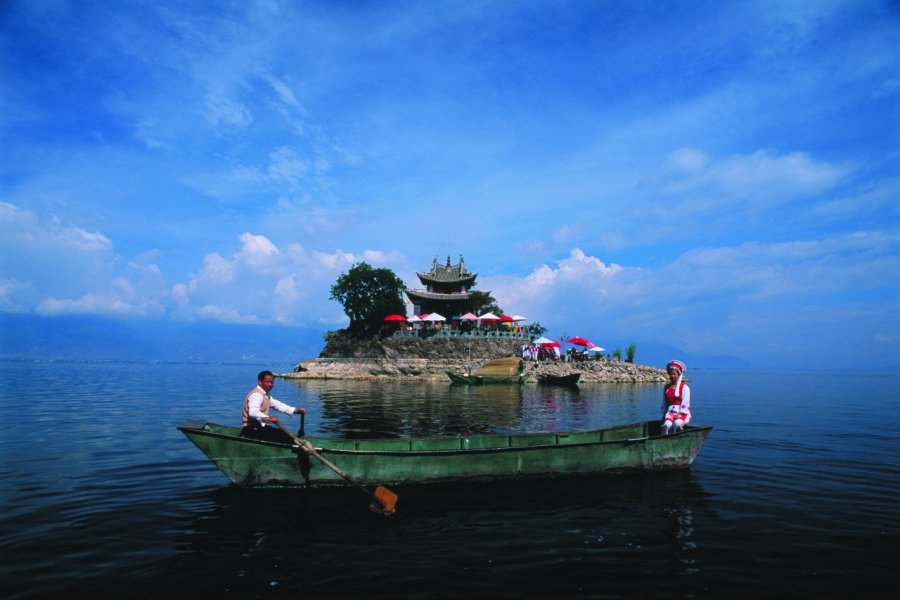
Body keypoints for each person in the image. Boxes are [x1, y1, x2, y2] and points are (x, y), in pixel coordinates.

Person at [241, 370, 306, 443]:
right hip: (250, 430)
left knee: (284, 435)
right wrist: (268, 418)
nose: (270, 385)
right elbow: (253, 412)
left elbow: (278, 405)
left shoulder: (265, 395)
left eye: (272, 382)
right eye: (267, 382)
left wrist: (295, 410)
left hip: (259, 428)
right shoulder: (257, 395)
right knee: (284, 436)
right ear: (260, 382)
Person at [661, 360, 691, 435]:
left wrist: (681, 413)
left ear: (678, 374)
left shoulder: (684, 388)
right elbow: (665, 402)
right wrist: (664, 414)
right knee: (666, 425)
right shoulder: (667, 387)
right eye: (671, 374)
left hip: (682, 413)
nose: (672, 376)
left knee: (677, 424)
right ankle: (665, 438)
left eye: (674, 374)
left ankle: (676, 438)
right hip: (670, 413)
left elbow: (685, 403)